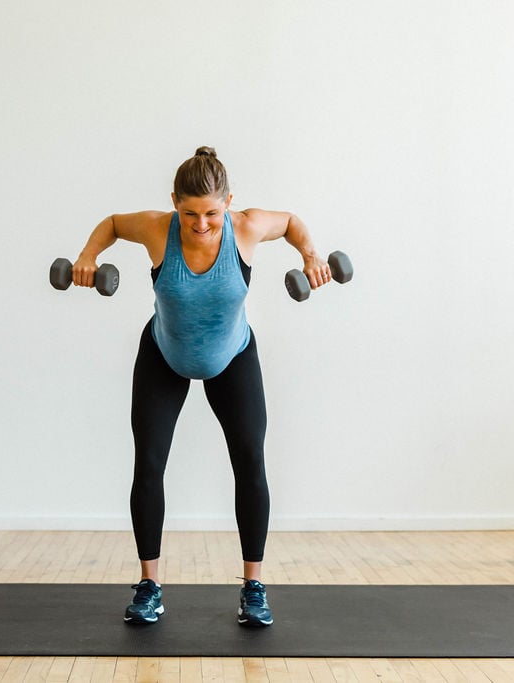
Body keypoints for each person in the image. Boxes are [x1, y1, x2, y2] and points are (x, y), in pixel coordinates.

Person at [72, 147, 334, 627]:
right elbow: (111, 223)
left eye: (212, 213)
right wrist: (88, 256)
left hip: (232, 357)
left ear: (229, 202)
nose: (200, 224)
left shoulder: (248, 227)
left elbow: (292, 222)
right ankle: (149, 585)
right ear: (174, 202)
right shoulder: (156, 229)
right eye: (189, 212)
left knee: (250, 463)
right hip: (164, 356)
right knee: (148, 465)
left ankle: (253, 587)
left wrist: (312, 254)